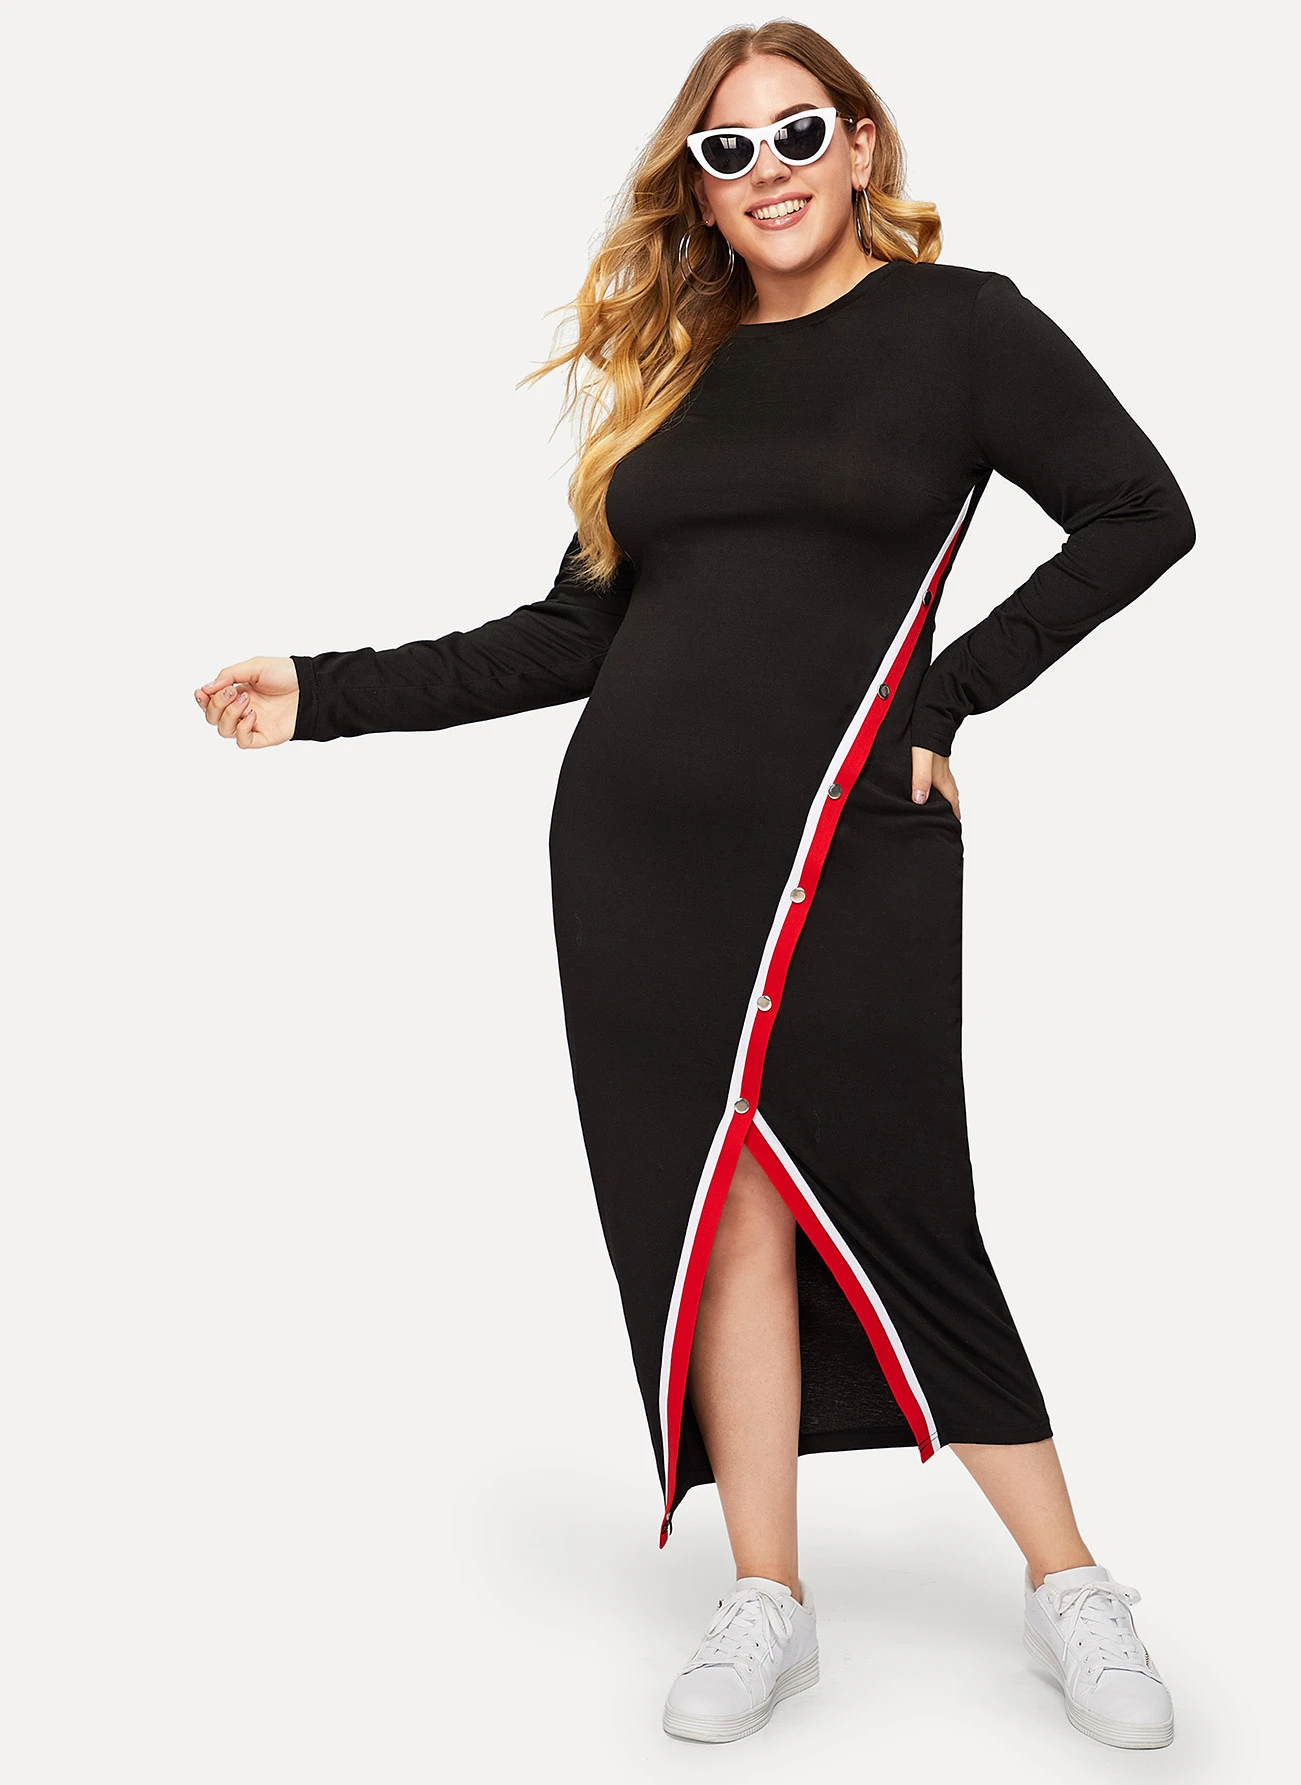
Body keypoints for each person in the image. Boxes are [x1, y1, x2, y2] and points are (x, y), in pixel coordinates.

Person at [194, 19, 1195, 1753]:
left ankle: (1070, 1584)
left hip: (844, 845)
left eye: (799, 132)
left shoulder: (966, 330)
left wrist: (943, 701)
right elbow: (570, 638)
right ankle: (769, 1596)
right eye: (727, 151)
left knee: (903, 1196)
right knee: (718, 1212)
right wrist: (324, 691)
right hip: (635, 856)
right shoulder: (678, 375)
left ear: (860, 144)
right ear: (702, 190)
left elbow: (1139, 512)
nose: (768, 170)